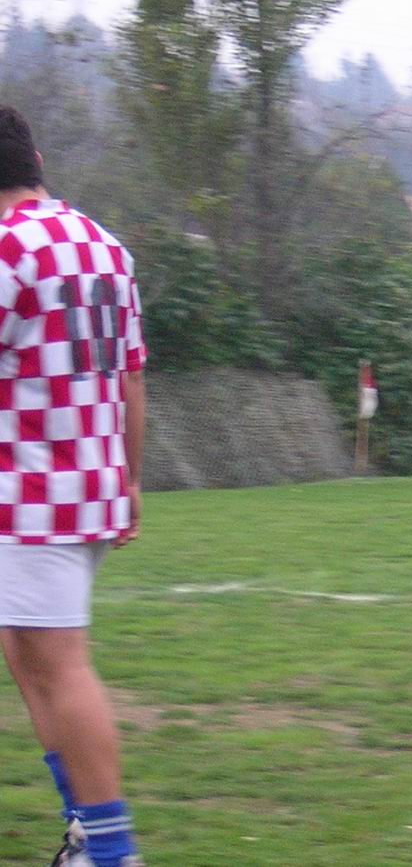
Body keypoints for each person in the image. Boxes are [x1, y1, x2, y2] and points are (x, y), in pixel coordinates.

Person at [0, 106, 147, 867]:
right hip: (89, 487)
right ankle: (87, 833)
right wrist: (131, 478)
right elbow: (132, 378)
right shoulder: (105, 245)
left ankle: (112, 852)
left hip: (34, 494)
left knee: (59, 667)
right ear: (37, 160)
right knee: (25, 654)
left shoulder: (7, 249)